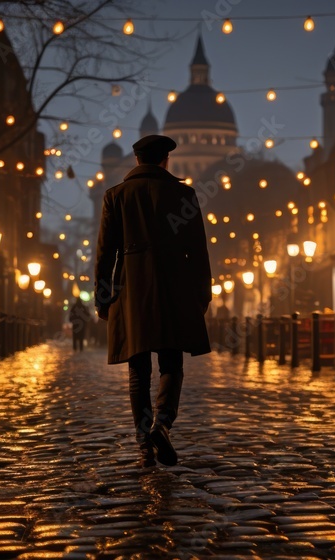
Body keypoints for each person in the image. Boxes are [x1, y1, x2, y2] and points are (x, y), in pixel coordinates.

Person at [95, 134, 212, 468]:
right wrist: (201, 295)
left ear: (136, 160)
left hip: (130, 288)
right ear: (165, 161)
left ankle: (144, 442)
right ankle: (163, 424)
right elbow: (198, 252)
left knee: (138, 367)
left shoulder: (115, 197)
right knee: (172, 363)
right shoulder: (184, 194)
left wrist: (103, 297)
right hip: (174, 287)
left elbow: (105, 254)